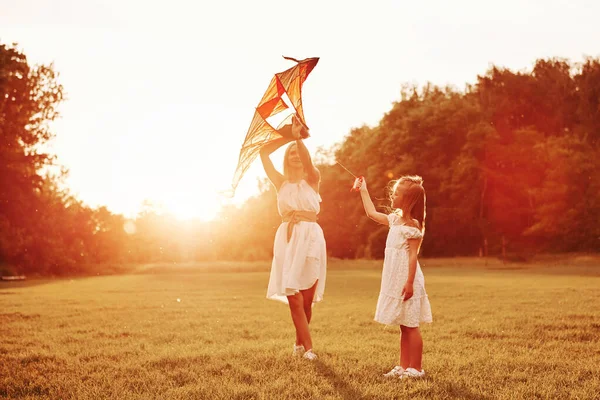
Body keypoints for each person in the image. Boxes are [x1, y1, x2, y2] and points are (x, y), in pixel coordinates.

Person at [259, 116, 327, 361]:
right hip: (288, 238)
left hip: (311, 237)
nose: (295, 155)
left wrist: (299, 140)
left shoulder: (313, 178)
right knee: (294, 297)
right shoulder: (280, 182)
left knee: (307, 299)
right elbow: (264, 155)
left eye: (298, 152)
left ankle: (299, 342)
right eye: (291, 153)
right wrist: (288, 136)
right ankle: (308, 349)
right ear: (286, 158)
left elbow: (308, 162)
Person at [355, 175, 432, 378]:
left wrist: (409, 283)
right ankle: (403, 366)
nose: (392, 195)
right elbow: (371, 213)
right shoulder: (394, 221)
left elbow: (413, 256)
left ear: (408, 200)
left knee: (411, 325)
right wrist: (363, 189)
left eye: (397, 193)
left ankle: (416, 368)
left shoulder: (412, 225)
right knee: (403, 325)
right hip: (395, 279)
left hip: (407, 280)